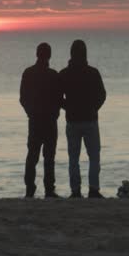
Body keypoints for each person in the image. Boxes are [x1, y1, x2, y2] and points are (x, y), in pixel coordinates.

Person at [58, 39, 106, 198]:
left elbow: (57, 97)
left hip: (72, 120)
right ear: (85, 54)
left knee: (73, 158)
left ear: (71, 53)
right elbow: (102, 95)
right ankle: (93, 189)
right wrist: (93, 108)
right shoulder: (93, 72)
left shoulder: (64, 74)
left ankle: (75, 191)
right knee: (94, 156)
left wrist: (68, 107)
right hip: (90, 119)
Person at [18, 42, 62, 198]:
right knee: (48, 157)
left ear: (37, 54)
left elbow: (23, 98)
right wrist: (55, 113)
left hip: (36, 120)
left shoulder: (29, 73)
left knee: (32, 155)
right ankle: (49, 190)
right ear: (49, 55)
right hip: (49, 121)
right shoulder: (53, 75)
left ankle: (30, 189)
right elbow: (59, 99)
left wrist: (30, 112)